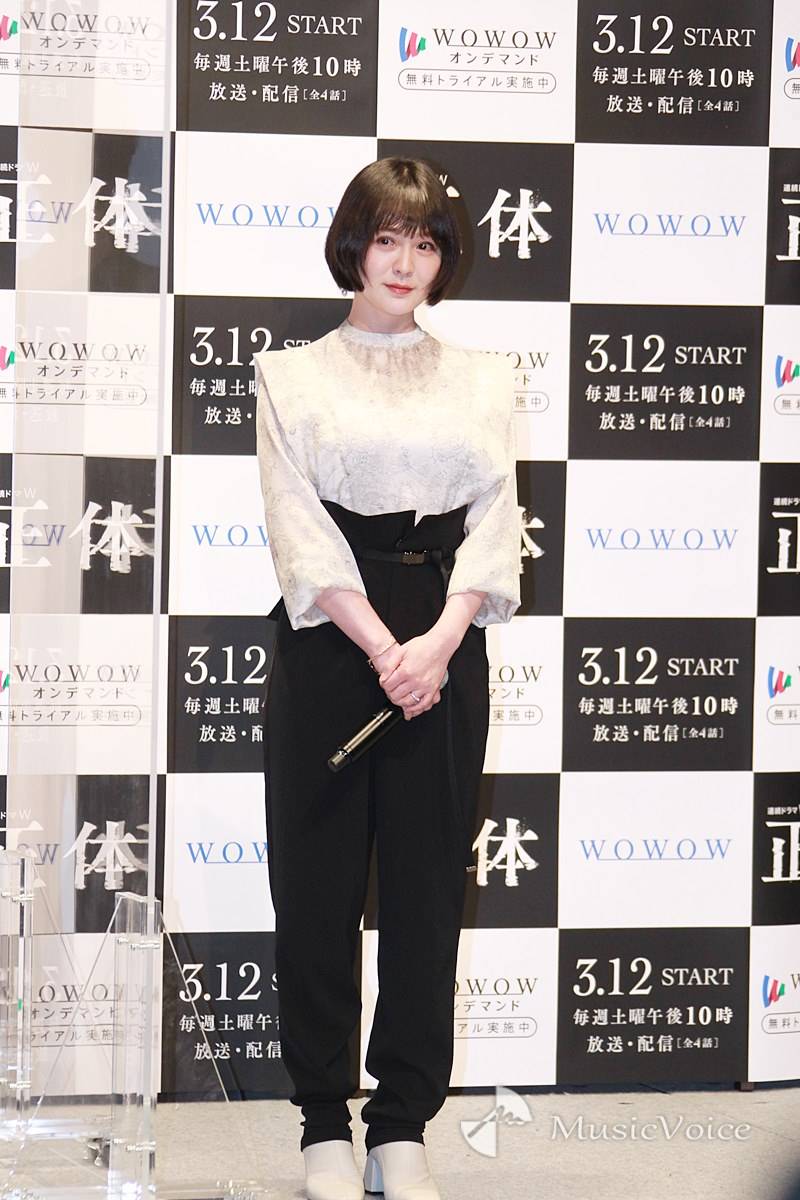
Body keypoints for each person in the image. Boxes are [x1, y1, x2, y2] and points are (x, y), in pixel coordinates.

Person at [253, 157, 521, 1200]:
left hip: (444, 643)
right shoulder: (291, 376)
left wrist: (441, 639)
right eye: (386, 239)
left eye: (425, 243)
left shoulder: (485, 378)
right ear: (352, 247)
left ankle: (400, 1126)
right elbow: (298, 529)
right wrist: (381, 648)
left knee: (424, 893)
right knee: (314, 889)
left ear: (444, 259)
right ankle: (324, 1122)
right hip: (333, 640)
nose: (404, 262)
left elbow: (495, 522)